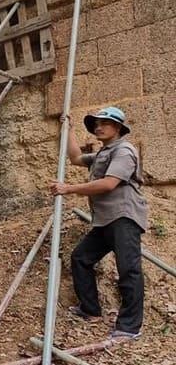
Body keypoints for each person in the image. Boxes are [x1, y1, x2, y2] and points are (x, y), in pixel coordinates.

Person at [49, 107, 148, 340]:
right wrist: (69, 129)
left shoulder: (124, 151)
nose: (98, 127)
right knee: (81, 258)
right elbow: (74, 158)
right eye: (96, 123)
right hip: (105, 220)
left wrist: (68, 189)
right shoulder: (103, 153)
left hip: (124, 217)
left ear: (118, 128)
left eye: (104, 123)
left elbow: (108, 184)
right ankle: (90, 310)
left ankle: (130, 327)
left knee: (129, 270)